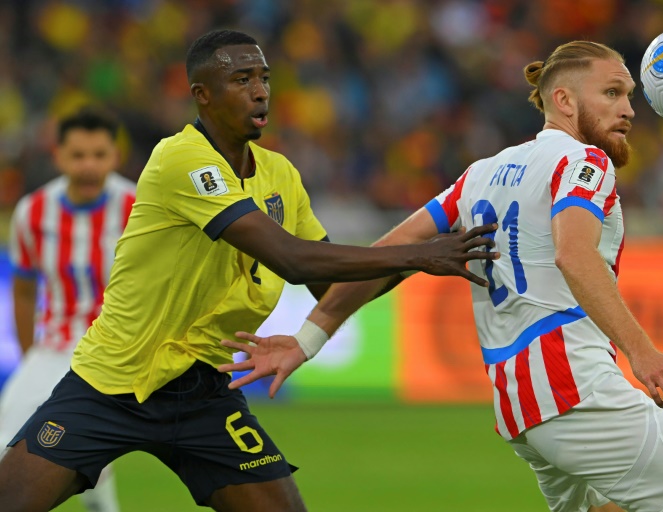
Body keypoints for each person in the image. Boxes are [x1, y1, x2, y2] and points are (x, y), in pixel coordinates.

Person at [223, 41, 663, 512]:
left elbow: (393, 250)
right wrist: (644, 353)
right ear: (564, 100)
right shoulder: (584, 162)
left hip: (521, 403)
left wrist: (308, 338)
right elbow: (575, 255)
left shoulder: (480, 174)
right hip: (575, 386)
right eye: (613, 93)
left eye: (630, 97)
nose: (628, 110)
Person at [0, 30, 496, 512]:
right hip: (113, 381)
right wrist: (418, 255)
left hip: (204, 394)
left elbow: (331, 286)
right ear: (203, 96)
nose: (260, 92)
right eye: (241, 79)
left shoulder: (280, 174)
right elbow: (292, 258)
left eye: (264, 77)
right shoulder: (181, 159)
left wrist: (420, 249)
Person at [0, 107, 134, 512]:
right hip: (54, 350)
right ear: (58, 156)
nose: (89, 165)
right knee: (7, 446)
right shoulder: (33, 212)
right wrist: (29, 359)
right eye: (78, 155)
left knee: (98, 449)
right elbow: (24, 292)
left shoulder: (138, 207)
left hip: (119, 352)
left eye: (99, 154)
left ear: (115, 156)